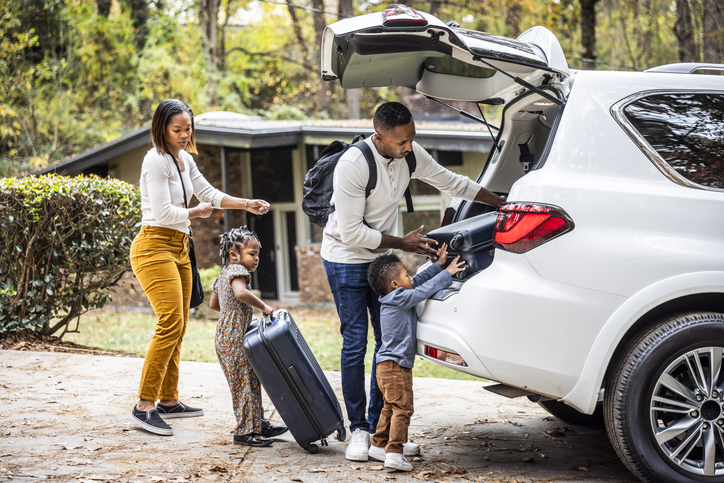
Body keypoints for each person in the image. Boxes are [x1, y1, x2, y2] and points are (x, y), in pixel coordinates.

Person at [321, 101, 504, 461]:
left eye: (411, 139)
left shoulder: (410, 155)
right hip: (344, 257)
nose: (408, 147)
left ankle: (379, 433)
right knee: (356, 340)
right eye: (401, 142)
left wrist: (503, 205)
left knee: (386, 343)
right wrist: (402, 242)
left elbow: (453, 182)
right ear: (379, 137)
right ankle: (357, 428)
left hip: (379, 258)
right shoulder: (354, 165)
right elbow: (351, 232)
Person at [130, 99, 271, 436]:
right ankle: (144, 405)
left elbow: (208, 192)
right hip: (153, 246)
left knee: (179, 324)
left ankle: (168, 400)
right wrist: (196, 213)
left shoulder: (184, 160)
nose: (183, 134)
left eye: (188, 128)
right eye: (177, 129)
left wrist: (245, 203)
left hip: (179, 247)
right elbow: (163, 213)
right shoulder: (155, 161)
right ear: (162, 128)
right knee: (170, 322)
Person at [366, 244, 465, 471]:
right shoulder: (401, 297)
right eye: (406, 275)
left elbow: (418, 281)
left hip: (385, 366)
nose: (410, 277)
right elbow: (422, 290)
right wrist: (447, 274)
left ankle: (379, 445)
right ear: (394, 285)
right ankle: (394, 453)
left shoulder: (394, 296)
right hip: (395, 367)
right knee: (403, 409)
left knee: (389, 407)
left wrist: (438, 265)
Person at [209, 226, 288, 446]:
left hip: (226, 336)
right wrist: (263, 306)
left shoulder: (223, 274)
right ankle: (245, 432)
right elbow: (241, 293)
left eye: (257, 254)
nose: (257, 259)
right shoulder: (238, 271)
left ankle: (258, 424)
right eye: (252, 254)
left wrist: (232, 313)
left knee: (250, 381)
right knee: (245, 384)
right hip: (234, 338)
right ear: (234, 255)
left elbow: (214, 304)